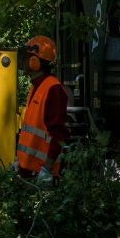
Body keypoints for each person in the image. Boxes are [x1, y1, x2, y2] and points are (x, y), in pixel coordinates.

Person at [16, 35, 70, 184]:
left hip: (41, 174)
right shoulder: (36, 86)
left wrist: (47, 169)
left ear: (35, 62)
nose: (22, 62)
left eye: (25, 58)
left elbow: (59, 134)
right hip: (29, 170)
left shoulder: (52, 89)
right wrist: (20, 161)